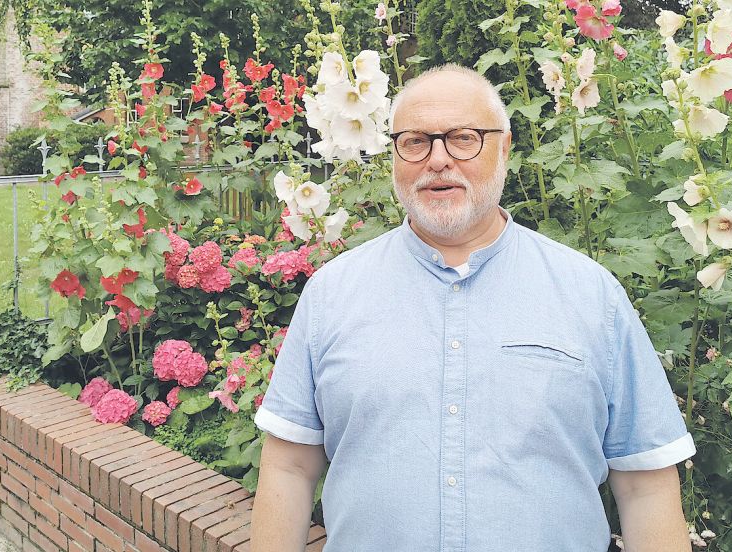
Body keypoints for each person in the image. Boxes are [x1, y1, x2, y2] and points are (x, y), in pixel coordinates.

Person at [249, 64, 696, 551]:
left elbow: (645, 483)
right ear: (394, 155)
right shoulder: (332, 294)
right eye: (416, 140)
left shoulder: (591, 295)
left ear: (504, 148)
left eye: (464, 138)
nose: (438, 159)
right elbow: (290, 466)